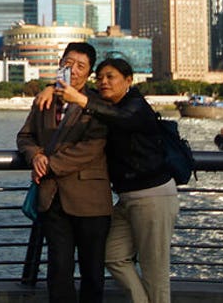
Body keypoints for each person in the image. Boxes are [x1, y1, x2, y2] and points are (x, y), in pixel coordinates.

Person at [47, 56, 179, 303]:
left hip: (153, 196)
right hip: (126, 199)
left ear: (128, 80)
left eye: (111, 77)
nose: (104, 82)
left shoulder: (136, 106)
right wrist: (48, 89)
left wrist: (82, 100)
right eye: (100, 78)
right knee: (111, 255)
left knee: (155, 271)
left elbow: (121, 118)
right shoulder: (105, 106)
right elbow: (84, 95)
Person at [16, 42, 112, 303]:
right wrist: (34, 154)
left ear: (89, 73)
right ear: (60, 63)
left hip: (90, 200)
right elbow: (25, 136)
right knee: (58, 271)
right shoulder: (45, 100)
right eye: (68, 62)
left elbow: (94, 146)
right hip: (52, 199)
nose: (73, 69)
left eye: (81, 66)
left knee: (92, 272)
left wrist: (50, 164)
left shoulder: (96, 104)